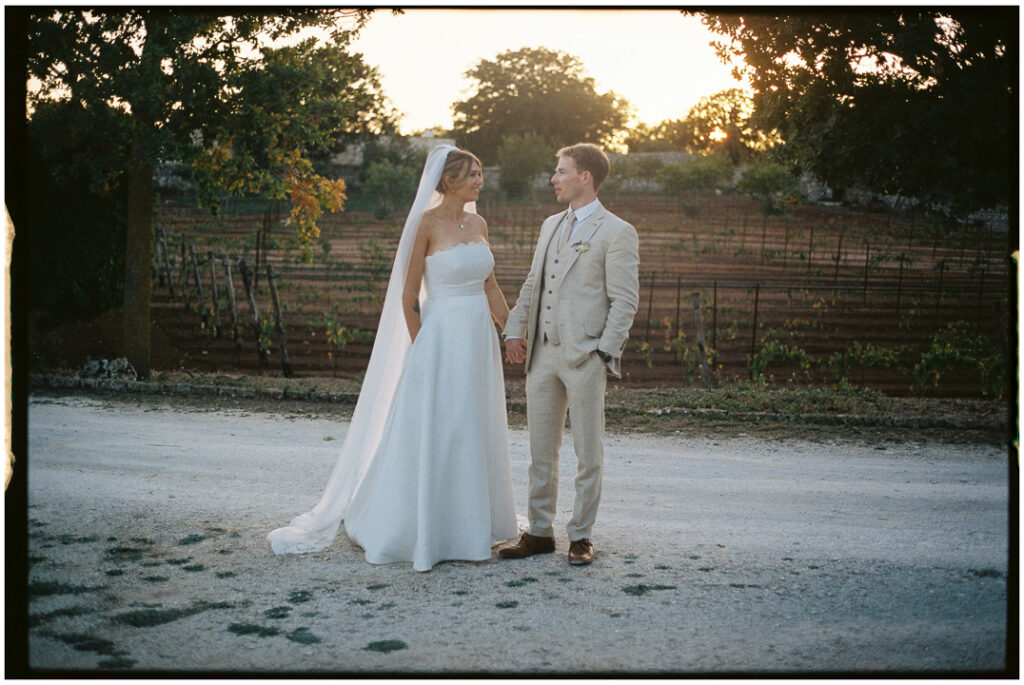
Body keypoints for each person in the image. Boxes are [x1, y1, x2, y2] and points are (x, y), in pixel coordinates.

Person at [267, 145, 518, 572]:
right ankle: (421, 527)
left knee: (473, 424)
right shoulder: (426, 223)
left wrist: (510, 330)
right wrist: (420, 346)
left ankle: (471, 524)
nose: (480, 180)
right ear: (449, 181)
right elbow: (408, 295)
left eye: (480, 172)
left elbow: (490, 284)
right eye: (472, 174)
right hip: (440, 341)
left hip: (477, 339)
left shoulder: (479, 222)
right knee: (440, 427)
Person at [500, 143, 640, 566]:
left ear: (586, 178)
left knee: (587, 452)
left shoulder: (617, 232)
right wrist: (513, 330)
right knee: (541, 450)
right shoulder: (549, 225)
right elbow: (532, 282)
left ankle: (580, 536)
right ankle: (540, 532)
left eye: (561, 172)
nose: (553, 179)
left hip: (584, 357)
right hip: (542, 356)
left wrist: (603, 353)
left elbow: (625, 302)